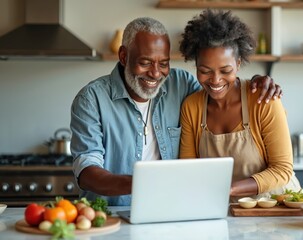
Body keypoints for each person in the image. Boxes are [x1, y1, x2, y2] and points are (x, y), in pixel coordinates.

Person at [71, 16, 283, 206]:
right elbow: (86, 170)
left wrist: (255, 82)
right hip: (110, 213)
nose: (155, 74)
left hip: (168, 211)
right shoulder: (92, 99)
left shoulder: (181, 84)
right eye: (145, 63)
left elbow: (219, 88)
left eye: (163, 63)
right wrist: (142, 183)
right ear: (124, 56)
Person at [179, 9, 300, 201]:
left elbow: (282, 169)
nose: (216, 80)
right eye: (205, 71)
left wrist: (230, 189)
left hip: (277, 208)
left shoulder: (263, 99)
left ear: (238, 63)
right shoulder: (192, 107)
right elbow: (189, 170)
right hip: (225, 209)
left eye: (225, 70)